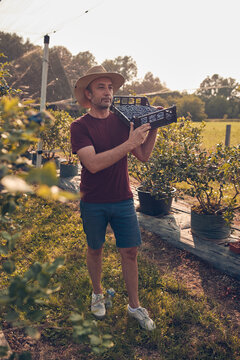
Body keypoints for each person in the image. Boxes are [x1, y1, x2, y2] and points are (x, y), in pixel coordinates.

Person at [70, 65, 158, 331]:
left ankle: (134, 306)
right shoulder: (79, 127)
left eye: (110, 87)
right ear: (88, 93)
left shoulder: (121, 121)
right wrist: (130, 143)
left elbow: (142, 155)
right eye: (101, 87)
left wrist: (153, 127)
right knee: (95, 248)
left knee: (129, 251)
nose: (107, 92)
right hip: (94, 200)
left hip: (122, 198)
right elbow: (93, 164)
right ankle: (97, 294)